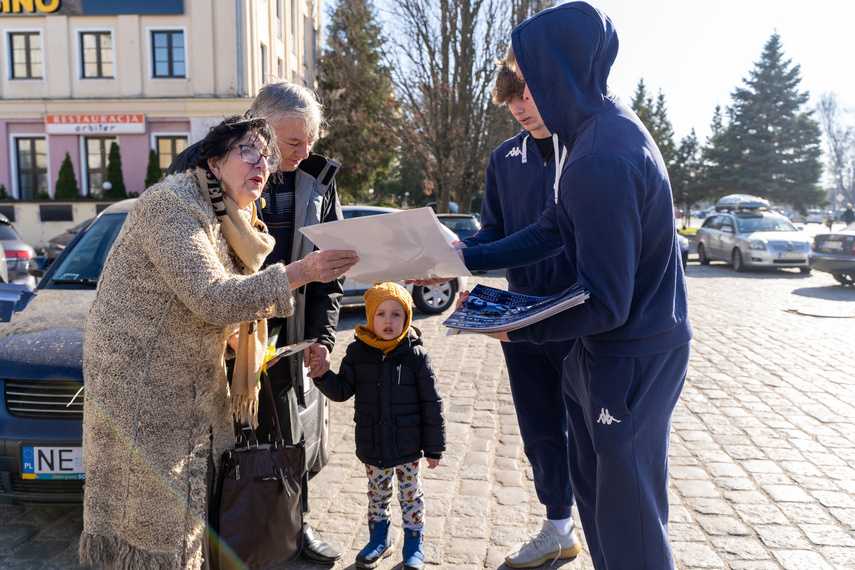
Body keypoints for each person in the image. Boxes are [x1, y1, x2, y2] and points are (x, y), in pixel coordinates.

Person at [453, 3, 692, 569]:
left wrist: (515, 329)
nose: (520, 91)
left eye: (526, 72)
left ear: (557, 68)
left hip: (628, 358)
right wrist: (466, 256)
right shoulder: (597, 131)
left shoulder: (599, 157)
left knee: (628, 518)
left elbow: (605, 302)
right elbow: (551, 229)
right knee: (600, 508)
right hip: (602, 356)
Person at [80, 115, 357, 569]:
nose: (262, 163)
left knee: (192, 514)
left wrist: (241, 340)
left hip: (190, 381)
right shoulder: (168, 205)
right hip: (142, 391)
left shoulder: (229, 216)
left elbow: (209, 304)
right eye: (249, 150)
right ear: (213, 160)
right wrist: (301, 272)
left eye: (267, 156)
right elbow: (210, 296)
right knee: (153, 523)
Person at [169, 80, 345, 565]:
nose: (303, 153)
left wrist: (321, 338)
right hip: (216, 341)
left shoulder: (318, 178)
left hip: (282, 344)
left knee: (289, 443)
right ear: (259, 129)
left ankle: (292, 531)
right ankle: (214, 545)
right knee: (215, 450)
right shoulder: (197, 164)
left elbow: (328, 273)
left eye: (311, 140)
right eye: (292, 143)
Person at [456, 58, 580, 567]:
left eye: (525, 96)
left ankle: (611, 527)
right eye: (509, 101)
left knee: (593, 429)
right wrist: (451, 254)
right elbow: (492, 234)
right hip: (521, 317)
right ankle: (558, 528)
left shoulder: (585, 149)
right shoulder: (503, 158)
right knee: (539, 426)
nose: (519, 109)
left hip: (580, 314)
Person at [311, 283, 445, 570]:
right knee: (377, 495)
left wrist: (434, 447)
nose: (388, 321)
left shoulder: (416, 357)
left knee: (411, 496)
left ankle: (413, 544)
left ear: (407, 318)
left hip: (409, 445)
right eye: (381, 313)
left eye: (396, 314)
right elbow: (343, 390)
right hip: (373, 443)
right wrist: (323, 376)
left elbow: (432, 404)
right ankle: (379, 539)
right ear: (370, 316)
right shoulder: (357, 352)